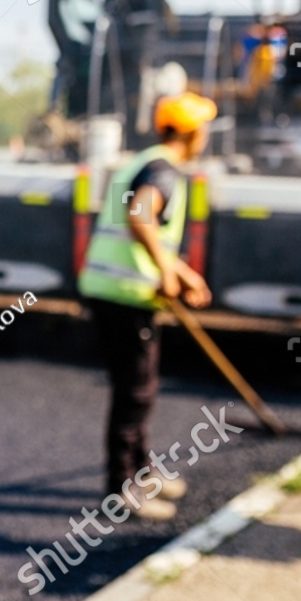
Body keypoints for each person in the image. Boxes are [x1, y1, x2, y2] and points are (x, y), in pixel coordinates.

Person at [77, 92, 218, 520]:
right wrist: (167, 272)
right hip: (123, 295)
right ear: (190, 133)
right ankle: (122, 489)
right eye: (204, 129)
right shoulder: (164, 171)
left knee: (142, 388)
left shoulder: (145, 162)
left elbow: (140, 224)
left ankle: (142, 471)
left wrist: (182, 272)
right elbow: (140, 217)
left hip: (115, 290)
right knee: (135, 392)